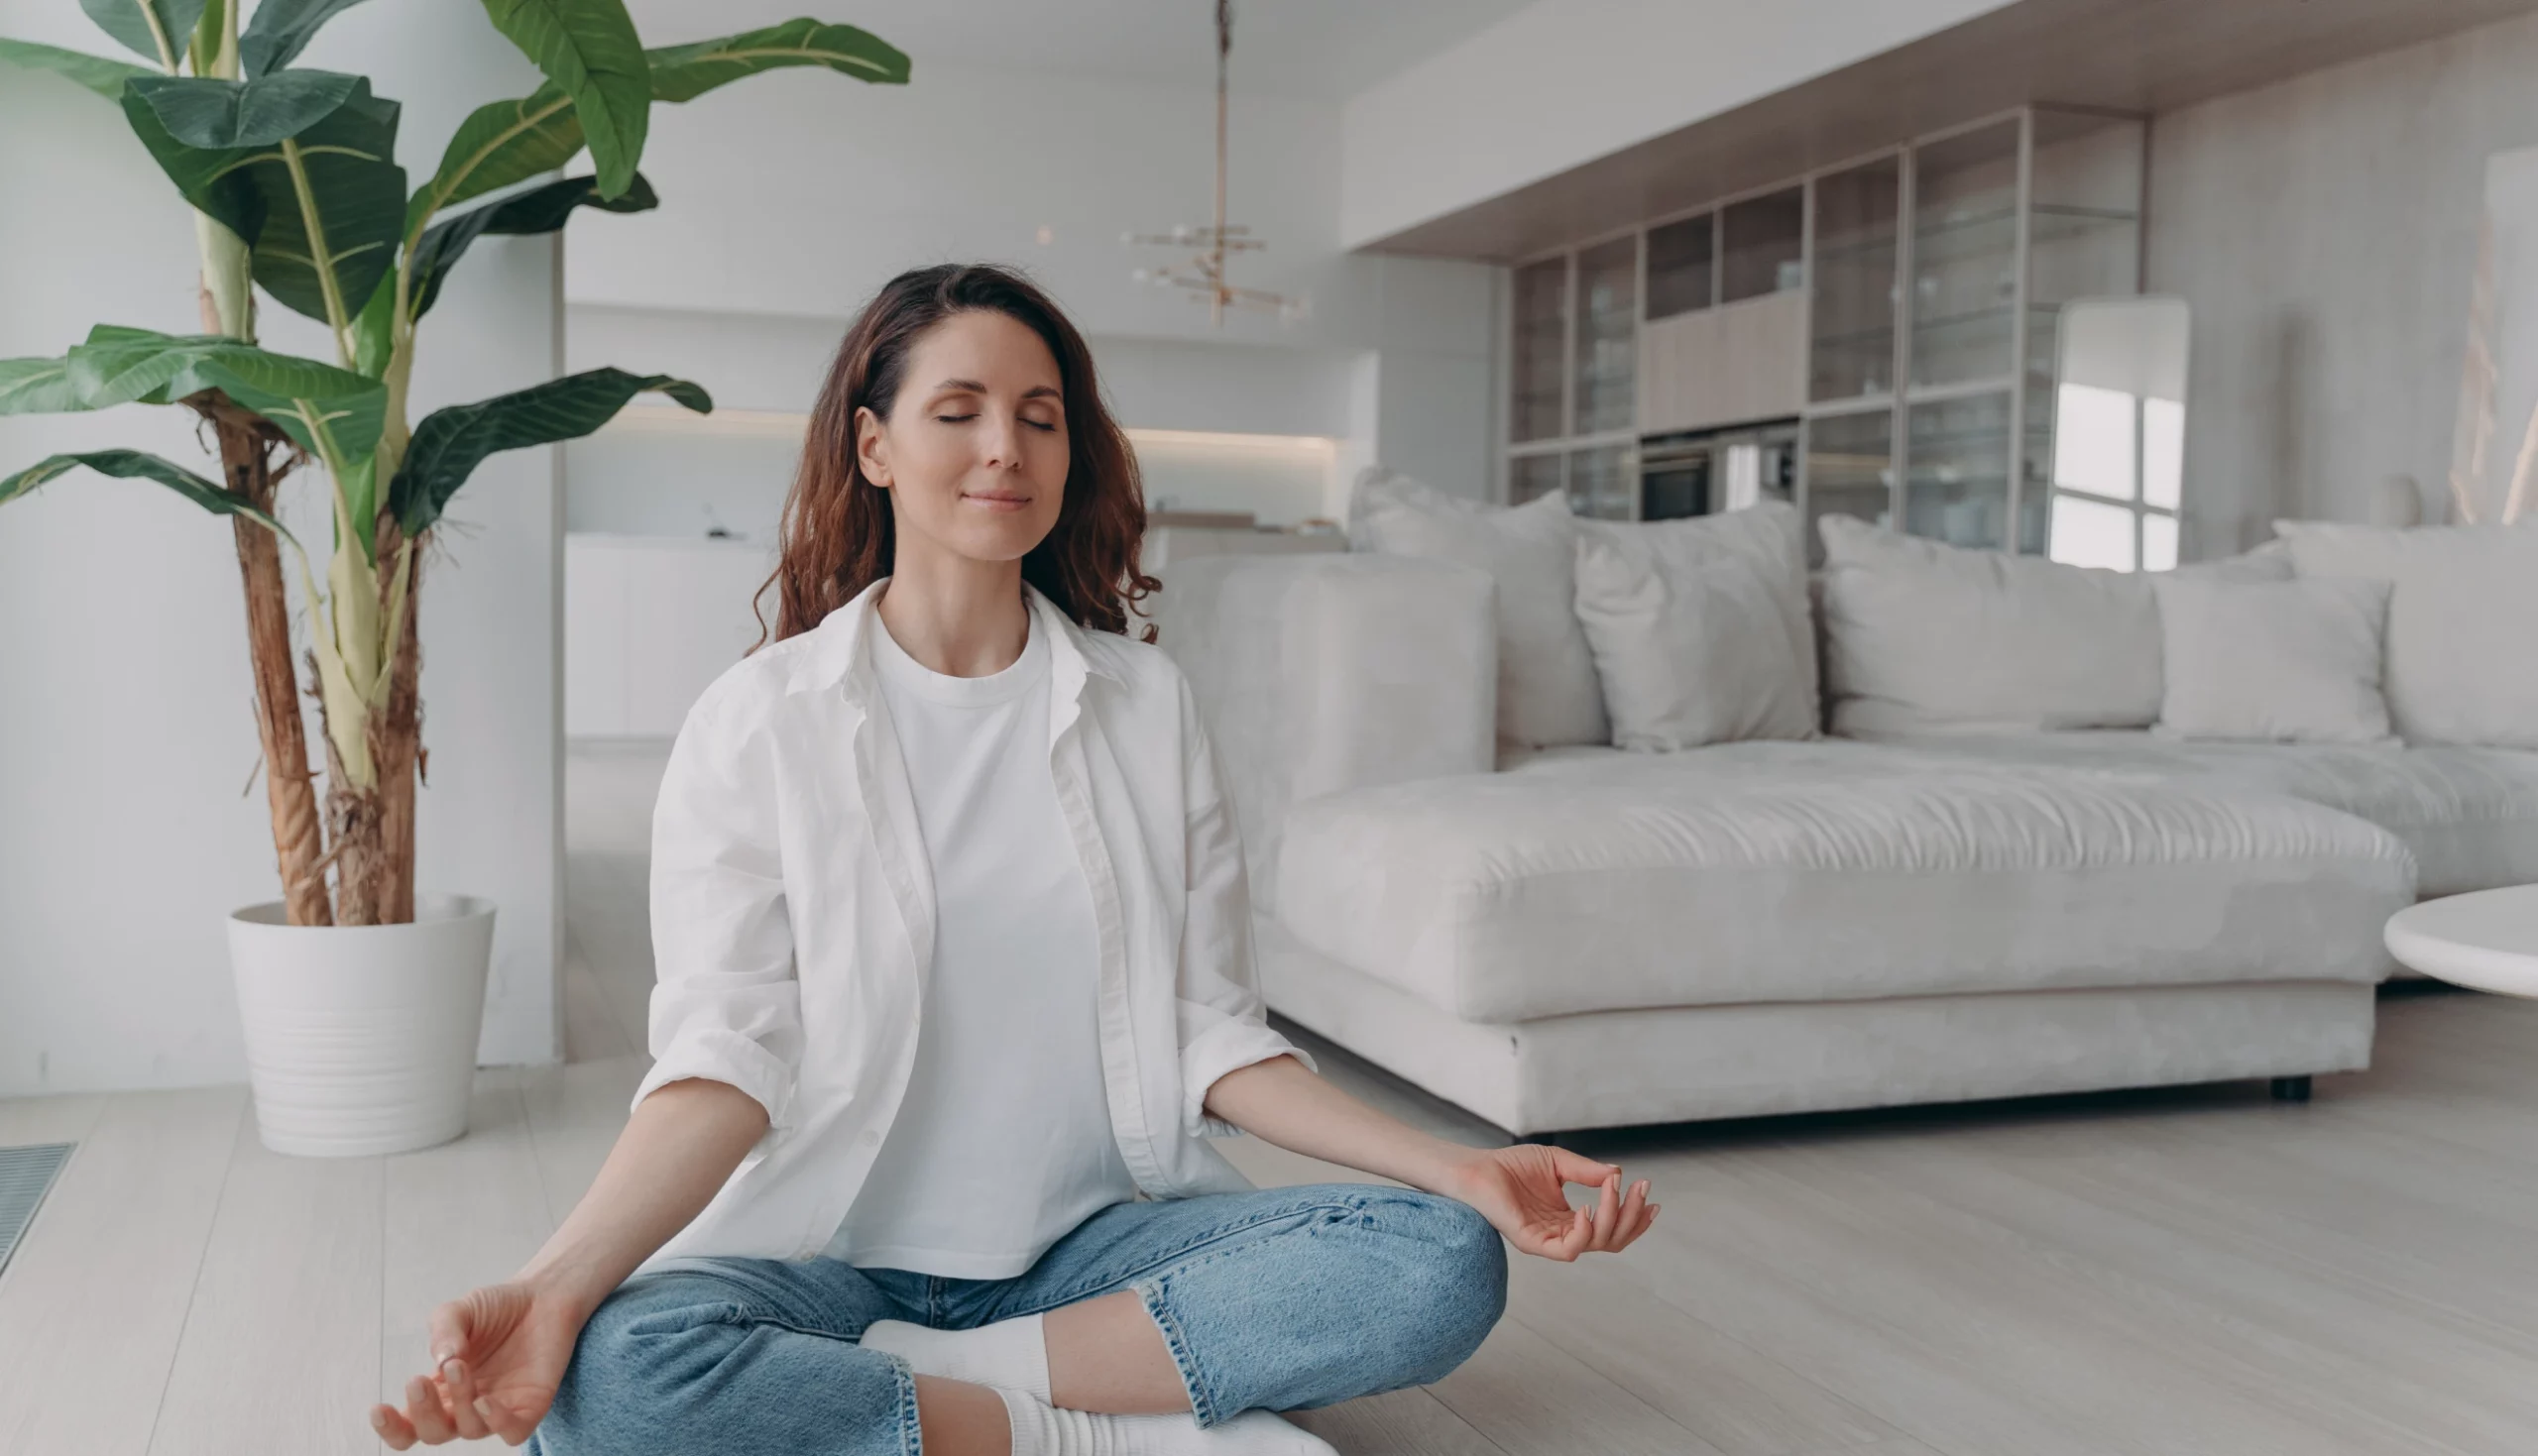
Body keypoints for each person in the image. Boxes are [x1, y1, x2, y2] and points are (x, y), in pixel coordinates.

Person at [368, 263, 1658, 1456]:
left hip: (1088, 1246)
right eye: (961, 411)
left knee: (1439, 1258)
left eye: (1042, 417)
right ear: (873, 445)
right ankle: (1096, 1423)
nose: (1006, 448)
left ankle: (944, 1384)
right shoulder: (760, 719)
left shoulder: (1147, 708)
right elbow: (725, 1058)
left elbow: (1213, 1034)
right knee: (614, 1381)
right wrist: (552, 1286)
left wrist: (1461, 1165)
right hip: (832, 1255)